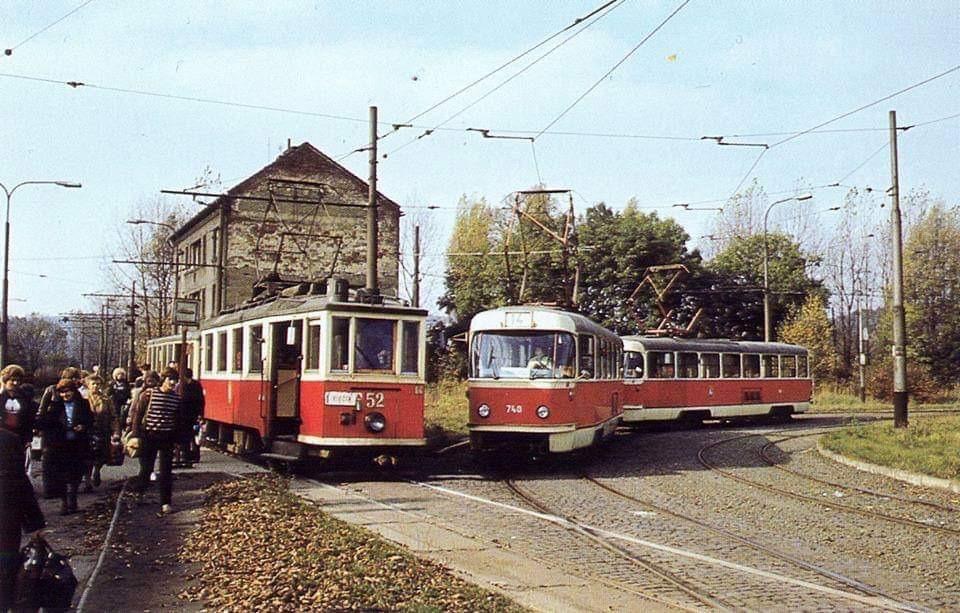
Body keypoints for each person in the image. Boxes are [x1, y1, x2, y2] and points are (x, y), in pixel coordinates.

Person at [0, 425, 45, 611]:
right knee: (6, 569)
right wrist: (35, 524)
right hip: (7, 521)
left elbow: (20, 482)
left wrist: (35, 523)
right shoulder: (9, 440)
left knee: (6, 566)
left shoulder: (9, 440)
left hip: (6, 519)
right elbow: (21, 483)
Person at [129, 367, 183, 514]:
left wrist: (177, 439)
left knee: (166, 471)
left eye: (175, 380)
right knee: (147, 468)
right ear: (163, 380)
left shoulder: (176, 399)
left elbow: (178, 420)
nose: (173, 383)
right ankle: (139, 494)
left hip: (167, 437)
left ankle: (166, 502)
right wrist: (135, 435)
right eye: (170, 379)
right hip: (149, 436)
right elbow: (138, 415)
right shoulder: (149, 394)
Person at [36, 379, 93, 515]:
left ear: (74, 391)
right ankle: (65, 502)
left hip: (78, 444)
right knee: (61, 475)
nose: (65, 395)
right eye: (62, 392)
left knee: (76, 473)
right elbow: (46, 423)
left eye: (68, 392)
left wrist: (83, 426)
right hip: (60, 445)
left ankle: (72, 499)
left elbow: (90, 420)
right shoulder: (55, 406)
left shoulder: (83, 404)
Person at [37, 367, 83, 499]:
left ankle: (62, 489)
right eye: (72, 378)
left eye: (76, 378)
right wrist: (40, 425)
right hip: (52, 430)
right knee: (49, 461)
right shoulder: (51, 390)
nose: (75, 380)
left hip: (68, 433)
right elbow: (42, 409)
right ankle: (49, 490)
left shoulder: (76, 393)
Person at [85, 375, 120, 489]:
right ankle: (87, 480)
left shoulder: (106, 399)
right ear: (88, 385)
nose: (96, 386)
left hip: (103, 430)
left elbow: (114, 417)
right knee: (87, 456)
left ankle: (97, 471)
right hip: (87, 431)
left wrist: (116, 432)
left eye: (98, 384)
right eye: (93, 384)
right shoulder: (83, 398)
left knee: (101, 455)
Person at [174, 368, 204, 468]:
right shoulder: (197, 385)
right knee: (194, 436)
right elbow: (201, 401)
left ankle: (186, 455)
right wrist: (201, 414)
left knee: (186, 436)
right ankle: (195, 455)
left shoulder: (181, 386)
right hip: (194, 414)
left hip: (185, 415)